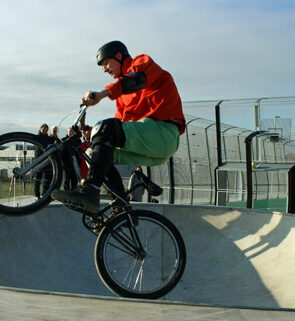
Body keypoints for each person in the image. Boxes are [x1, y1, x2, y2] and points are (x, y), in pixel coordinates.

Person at [52, 41, 185, 213]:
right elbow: (119, 128)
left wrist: (101, 95)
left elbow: (136, 80)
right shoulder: (122, 99)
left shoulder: (141, 63)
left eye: (106, 63)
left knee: (105, 128)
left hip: (164, 133)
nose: (105, 69)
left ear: (119, 56)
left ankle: (90, 192)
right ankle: (121, 208)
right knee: (95, 154)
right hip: (149, 147)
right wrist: (91, 132)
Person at [34, 123, 53, 199]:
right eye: (43, 129)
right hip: (39, 160)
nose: (44, 130)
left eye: (46, 129)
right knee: (37, 179)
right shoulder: (37, 137)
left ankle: (44, 194)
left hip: (46, 161)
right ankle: (37, 195)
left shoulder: (48, 138)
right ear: (40, 129)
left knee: (46, 180)